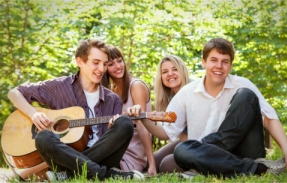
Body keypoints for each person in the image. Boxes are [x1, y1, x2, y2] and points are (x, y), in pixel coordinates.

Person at [127, 38, 287, 178]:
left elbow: (269, 118)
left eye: (225, 62)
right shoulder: (187, 93)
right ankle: (258, 169)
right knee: (182, 149)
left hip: (243, 151)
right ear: (203, 62)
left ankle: (204, 167)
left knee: (246, 95)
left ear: (230, 65)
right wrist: (143, 117)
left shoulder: (242, 85)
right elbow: (166, 132)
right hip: (209, 155)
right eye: (214, 60)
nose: (219, 66)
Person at [7, 39, 144, 181]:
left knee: (125, 123)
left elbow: (109, 145)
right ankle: (105, 175)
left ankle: (67, 175)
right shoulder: (58, 87)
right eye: (96, 63)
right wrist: (33, 114)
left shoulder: (113, 99)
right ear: (80, 62)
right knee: (43, 137)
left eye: (104, 64)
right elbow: (14, 93)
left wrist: (112, 127)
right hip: (65, 158)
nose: (101, 69)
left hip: (101, 157)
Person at [101, 45, 157, 176]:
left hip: (133, 154)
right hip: (117, 148)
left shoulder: (135, 85)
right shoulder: (112, 92)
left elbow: (143, 127)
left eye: (120, 61)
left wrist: (152, 163)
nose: (118, 66)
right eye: (111, 64)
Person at [153, 55, 190, 173]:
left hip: (201, 142)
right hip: (184, 141)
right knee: (153, 161)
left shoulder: (193, 89)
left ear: (182, 70)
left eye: (175, 69)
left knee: (166, 166)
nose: (170, 74)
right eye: (165, 71)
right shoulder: (169, 97)